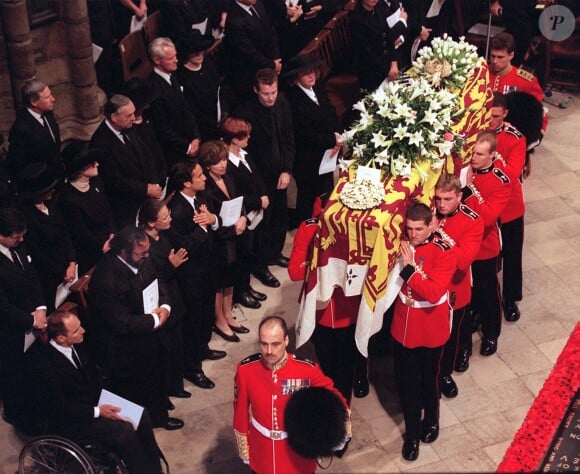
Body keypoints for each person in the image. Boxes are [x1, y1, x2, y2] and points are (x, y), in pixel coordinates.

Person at [28, 310, 164, 474]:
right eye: (77, 330)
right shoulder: (45, 366)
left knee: (141, 415)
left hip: (94, 400)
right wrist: (99, 411)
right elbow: (59, 408)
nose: (83, 330)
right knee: (124, 432)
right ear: (61, 338)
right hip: (72, 419)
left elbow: (94, 376)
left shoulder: (78, 345)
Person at [88, 226, 184, 431]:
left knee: (157, 370)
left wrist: (166, 307)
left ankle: (159, 414)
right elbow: (121, 322)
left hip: (147, 331)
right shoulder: (106, 279)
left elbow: (159, 282)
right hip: (123, 346)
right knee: (137, 386)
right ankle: (142, 425)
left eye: (148, 251)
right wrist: (155, 321)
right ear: (123, 252)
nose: (147, 256)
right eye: (142, 253)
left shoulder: (142, 258)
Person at [233, 316, 349, 473]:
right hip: (261, 451)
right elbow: (240, 412)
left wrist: (339, 431)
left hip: (296, 452)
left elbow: (334, 399)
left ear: (286, 341)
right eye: (264, 344)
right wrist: (244, 449)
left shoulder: (307, 369)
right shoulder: (246, 370)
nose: (269, 351)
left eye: (275, 344)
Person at [391, 203, 456, 461]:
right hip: (404, 322)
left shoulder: (445, 250)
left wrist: (408, 268)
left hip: (430, 324)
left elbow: (431, 292)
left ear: (432, 224)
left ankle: (432, 419)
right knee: (406, 383)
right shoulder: (402, 243)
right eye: (409, 229)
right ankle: (412, 434)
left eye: (419, 229)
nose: (413, 234)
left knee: (429, 379)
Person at [287, 195, 363, 405]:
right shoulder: (309, 228)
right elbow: (294, 271)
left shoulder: (353, 230)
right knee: (327, 367)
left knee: (346, 367)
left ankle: (344, 410)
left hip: (346, 311)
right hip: (319, 311)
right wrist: (317, 268)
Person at [167, 160, 225, 390]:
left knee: (204, 317)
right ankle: (192, 368)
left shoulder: (202, 196)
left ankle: (203, 348)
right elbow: (182, 247)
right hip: (189, 276)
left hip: (207, 269)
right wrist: (202, 229)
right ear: (186, 182)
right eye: (199, 176)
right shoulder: (177, 210)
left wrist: (213, 220)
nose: (204, 178)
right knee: (192, 321)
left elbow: (214, 222)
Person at [235, 68, 295, 288]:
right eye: (265, 94)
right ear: (256, 90)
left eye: (273, 92)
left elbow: (289, 139)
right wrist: (260, 190)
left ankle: (274, 253)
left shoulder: (282, 104)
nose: (270, 98)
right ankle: (260, 266)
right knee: (261, 225)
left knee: (280, 219)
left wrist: (287, 170)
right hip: (257, 180)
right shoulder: (245, 113)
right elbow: (247, 158)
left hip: (280, 175)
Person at [461, 132, 512, 357]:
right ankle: (476, 316)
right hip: (463, 243)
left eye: (480, 155)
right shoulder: (466, 171)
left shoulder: (500, 181)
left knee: (488, 290)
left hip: (484, 246)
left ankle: (492, 331)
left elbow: (489, 217)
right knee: (470, 290)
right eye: (473, 152)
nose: (474, 158)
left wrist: (470, 189)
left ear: (492, 155)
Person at [434, 175, 483, 393]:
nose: (441, 204)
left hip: (455, 288)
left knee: (453, 335)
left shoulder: (472, 220)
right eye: (438, 199)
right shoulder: (430, 212)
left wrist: (438, 232)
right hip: (433, 285)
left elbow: (463, 262)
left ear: (459, 197)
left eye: (447, 199)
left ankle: (445, 374)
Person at [138, 199, 191, 402]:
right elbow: (151, 275)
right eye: (165, 217)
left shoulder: (165, 235)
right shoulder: (144, 245)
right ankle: (165, 391)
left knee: (177, 344)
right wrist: (171, 266)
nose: (170, 218)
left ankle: (176, 384)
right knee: (165, 349)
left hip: (174, 296)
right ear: (152, 222)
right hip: (158, 301)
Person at [199, 141, 251, 342]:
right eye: (216, 162)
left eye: (223, 160)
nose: (222, 165)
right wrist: (232, 226)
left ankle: (228, 314)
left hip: (236, 236)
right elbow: (211, 218)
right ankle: (219, 319)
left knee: (231, 277)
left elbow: (240, 201)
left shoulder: (229, 177)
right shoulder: (205, 187)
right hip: (219, 241)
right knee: (219, 282)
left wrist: (244, 218)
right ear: (207, 164)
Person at [0, 208, 47, 430]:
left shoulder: (18, 248)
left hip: (31, 319)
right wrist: (30, 321)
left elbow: (33, 276)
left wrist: (40, 308)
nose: (21, 239)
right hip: (9, 329)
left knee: (33, 369)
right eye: (15, 236)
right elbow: (2, 306)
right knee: (13, 375)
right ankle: (17, 415)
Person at [90, 95, 165, 228]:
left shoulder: (129, 128)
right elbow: (113, 181)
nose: (134, 118)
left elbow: (147, 156)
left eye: (133, 113)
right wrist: (145, 189)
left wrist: (154, 184)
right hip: (128, 206)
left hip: (149, 197)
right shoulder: (100, 142)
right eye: (129, 115)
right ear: (114, 117)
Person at [284, 54, 342, 225]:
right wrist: (332, 139)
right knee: (309, 197)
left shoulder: (317, 88)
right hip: (307, 159)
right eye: (305, 74)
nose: (311, 76)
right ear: (297, 77)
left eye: (313, 72)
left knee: (326, 190)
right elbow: (304, 133)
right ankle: (307, 227)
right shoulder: (294, 100)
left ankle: (323, 222)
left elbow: (332, 112)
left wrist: (338, 134)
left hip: (327, 153)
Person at [219, 116, 269, 309]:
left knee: (250, 252)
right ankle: (240, 292)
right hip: (241, 215)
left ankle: (247, 287)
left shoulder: (244, 154)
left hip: (254, 215)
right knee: (241, 255)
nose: (249, 138)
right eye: (245, 136)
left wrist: (263, 194)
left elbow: (257, 177)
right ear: (234, 139)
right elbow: (234, 193)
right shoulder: (227, 164)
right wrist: (258, 200)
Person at [17, 163, 77, 313]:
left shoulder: (53, 205)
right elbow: (38, 254)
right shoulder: (27, 217)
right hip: (51, 277)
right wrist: (63, 271)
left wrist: (72, 261)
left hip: (69, 269)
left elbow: (66, 234)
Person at [490, 93, 526, 323]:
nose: (490, 120)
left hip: (510, 208)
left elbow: (511, 174)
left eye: (495, 116)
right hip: (484, 208)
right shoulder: (477, 133)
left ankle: (510, 298)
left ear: (505, 114)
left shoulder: (515, 138)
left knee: (512, 255)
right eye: (488, 115)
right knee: (486, 262)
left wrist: (491, 163)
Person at [59, 142, 116, 274]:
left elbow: (108, 211)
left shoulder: (96, 182)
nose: (97, 164)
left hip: (110, 241)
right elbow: (81, 234)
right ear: (80, 168)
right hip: (92, 254)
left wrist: (113, 234)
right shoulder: (69, 198)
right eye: (92, 162)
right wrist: (104, 244)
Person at [148, 37, 202, 166]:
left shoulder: (173, 76)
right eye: (170, 58)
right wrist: (187, 147)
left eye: (175, 56)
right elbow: (162, 128)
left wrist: (195, 137)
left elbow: (187, 109)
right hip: (175, 154)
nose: (176, 60)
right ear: (156, 60)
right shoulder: (153, 87)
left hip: (190, 141)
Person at [224, 0, 282, 98]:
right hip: (250, 75)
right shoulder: (234, 21)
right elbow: (250, 54)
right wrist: (272, 65)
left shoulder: (258, 4)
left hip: (269, 63)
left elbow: (271, 31)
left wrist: (275, 59)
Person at [177, 31, 228, 141]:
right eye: (194, 52)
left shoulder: (208, 64)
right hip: (203, 130)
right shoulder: (182, 78)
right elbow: (191, 112)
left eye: (201, 50)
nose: (199, 54)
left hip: (219, 118)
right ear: (186, 53)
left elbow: (220, 90)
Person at [7, 79, 63, 180]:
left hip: (57, 176)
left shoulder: (48, 113)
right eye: (47, 97)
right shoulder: (21, 129)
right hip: (41, 183)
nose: (53, 99)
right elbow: (19, 166)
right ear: (34, 102)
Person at [351, 0, 406, 90]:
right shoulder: (356, 19)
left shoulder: (380, 6)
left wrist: (393, 62)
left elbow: (389, 37)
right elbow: (366, 53)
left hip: (388, 61)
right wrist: (387, 70)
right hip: (371, 69)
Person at [488, 32, 543, 101]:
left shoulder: (525, 80)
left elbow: (536, 105)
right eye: (492, 56)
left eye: (500, 57)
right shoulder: (480, 72)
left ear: (511, 55)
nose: (495, 61)